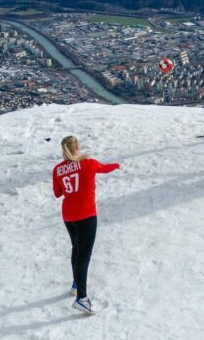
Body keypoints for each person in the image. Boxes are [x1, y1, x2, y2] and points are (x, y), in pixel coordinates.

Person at [52, 135, 120, 315]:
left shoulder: (57, 169)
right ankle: (82, 298)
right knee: (83, 255)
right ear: (76, 148)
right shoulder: (88, 163)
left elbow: (58, 193)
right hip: (86, 215)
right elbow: (105, 169)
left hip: (68, 215)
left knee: (76, 248)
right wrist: (118, 165)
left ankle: (76, 283)